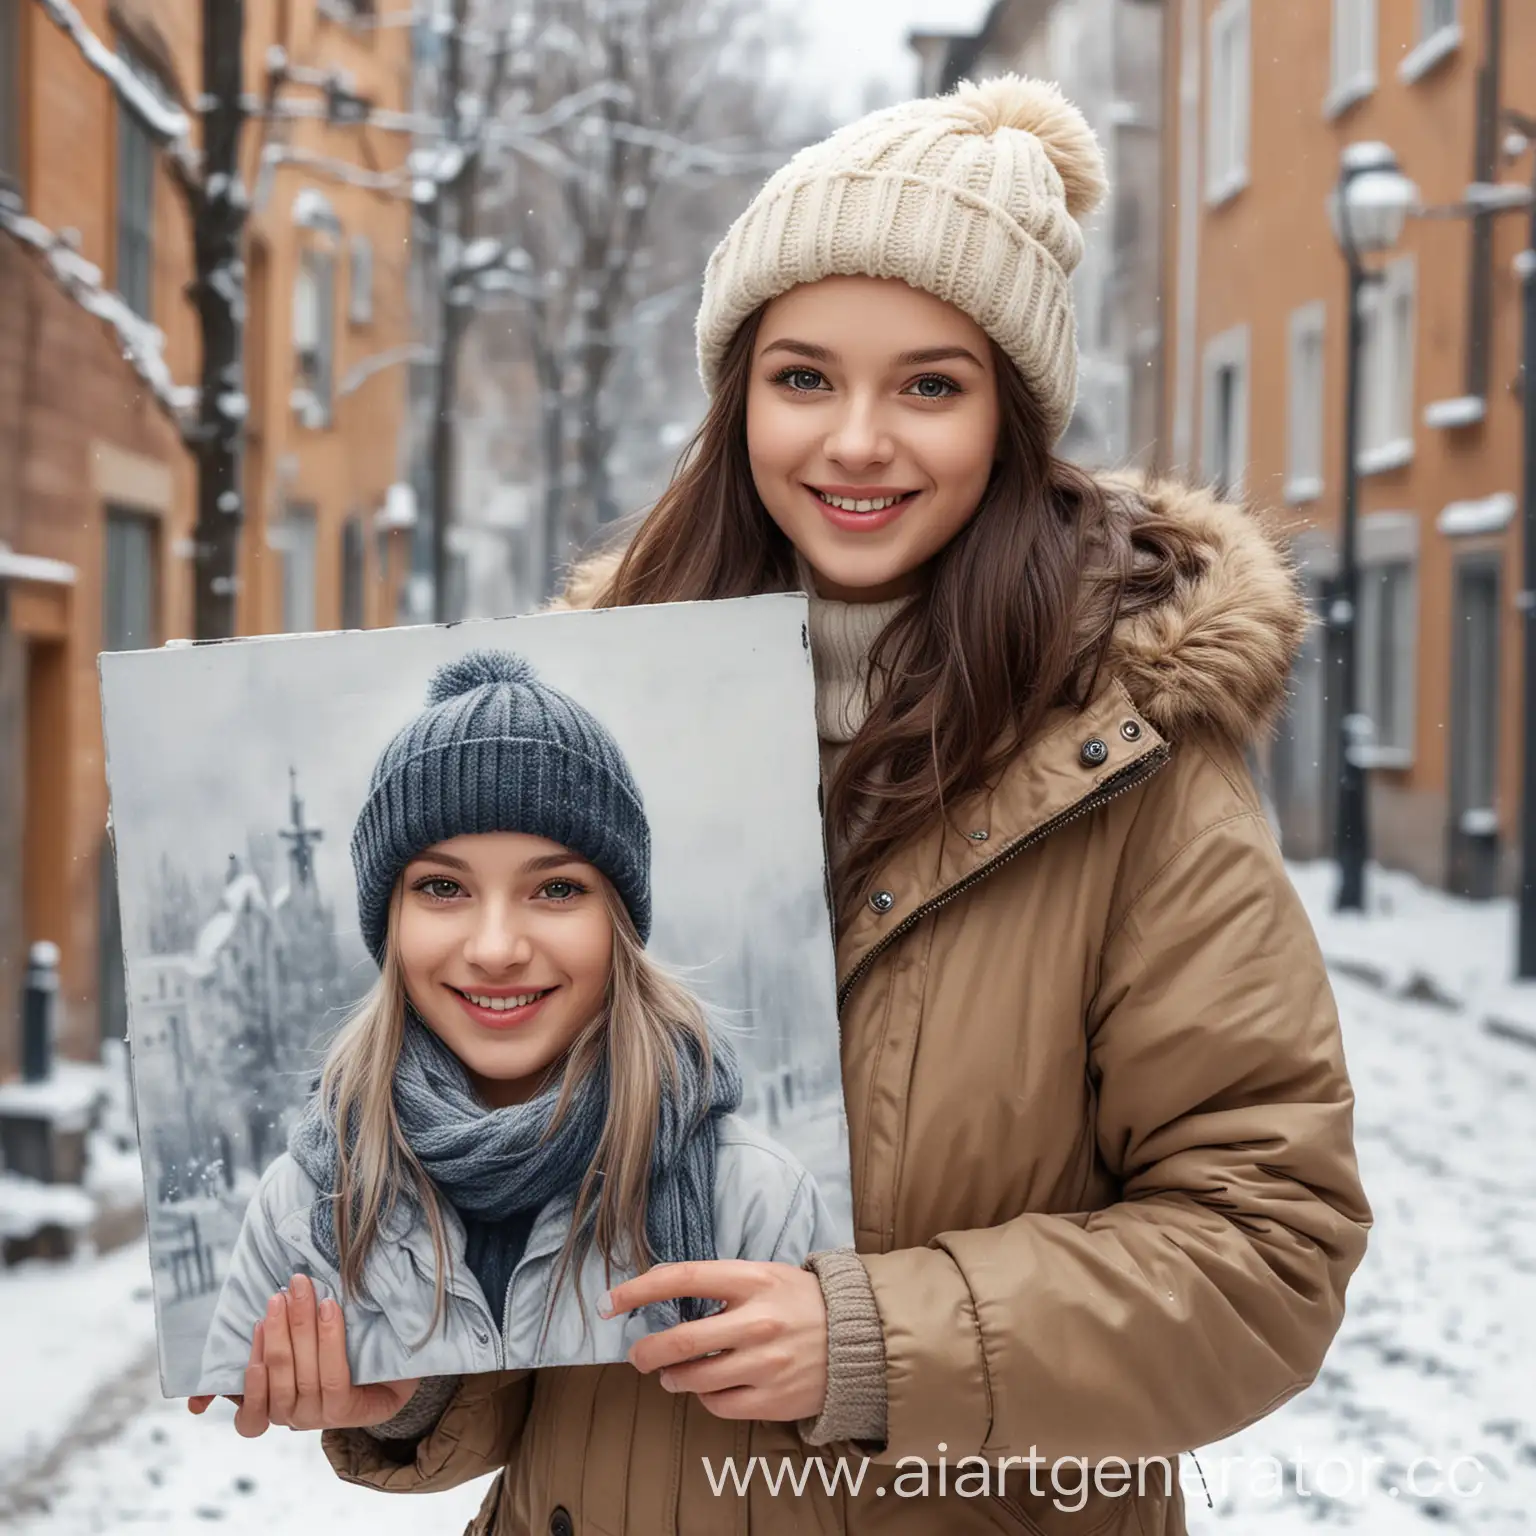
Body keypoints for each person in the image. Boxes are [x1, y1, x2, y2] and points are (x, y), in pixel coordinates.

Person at [199, 75, 1372, 1534]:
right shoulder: (604, 731)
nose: (857, 442)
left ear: (1010, 416)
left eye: (930, 385)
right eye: (804, 376)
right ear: (739, 394)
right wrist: (411, 1384)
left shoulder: (1129, 761)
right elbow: (556, 1285)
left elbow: (1267, 1249)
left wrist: (879, 1341)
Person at [192, 648, 840, 1410]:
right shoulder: (305, 1208)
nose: (496, 949)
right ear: (390, 926)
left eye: (557, 888)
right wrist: (394, 1418)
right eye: (442, 887)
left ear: (619, 924)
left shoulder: (751, 1198)